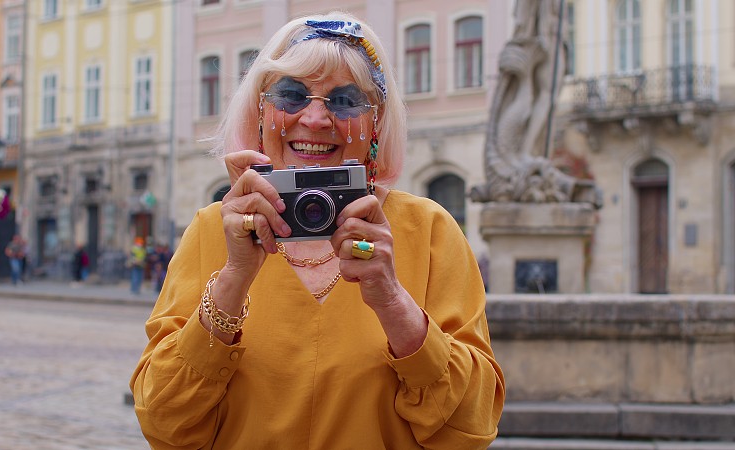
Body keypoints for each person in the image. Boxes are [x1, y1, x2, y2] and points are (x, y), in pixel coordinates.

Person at [130, 12, 505, 449]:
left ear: (375, 124)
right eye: (291, 95)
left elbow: (470, 429)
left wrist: (391, 300)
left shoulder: (429, 231)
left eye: (345, 101)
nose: (315, 117)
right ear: (261, 110)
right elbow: (163, 422)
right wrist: (233, 279)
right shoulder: (214, 230)